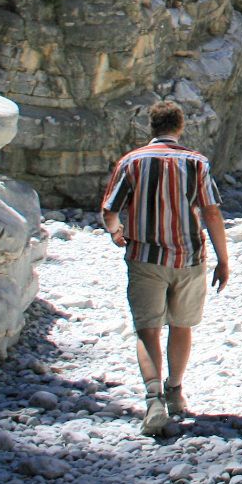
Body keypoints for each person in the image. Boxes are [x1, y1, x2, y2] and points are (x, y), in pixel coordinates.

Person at [100, 100, 230, 437]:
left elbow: (109, 210)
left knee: (148, 329)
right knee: (182, 325)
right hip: (188, 258)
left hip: (144, 258)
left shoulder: (130, 162)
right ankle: (175, 390)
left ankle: (153, 397)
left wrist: (117, 232)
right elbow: (212, 212)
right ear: (180, 127)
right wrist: (223, 258)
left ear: (151, 127)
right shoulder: (196, 163)